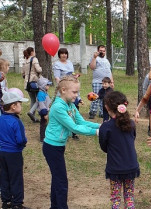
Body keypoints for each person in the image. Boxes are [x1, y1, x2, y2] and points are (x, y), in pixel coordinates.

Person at [42, 75, 100, 209]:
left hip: (58, 147)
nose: (77, 95)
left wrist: (102, 126)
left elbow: (81, 122)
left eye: (77, 92)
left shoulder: (70, 105)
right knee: (61, 181)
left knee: (57, 179)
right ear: (63, 90)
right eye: (74, 92)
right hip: (52, 148)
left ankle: (54, 206)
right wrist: (97, 133)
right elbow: (74, 128)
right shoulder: (58, 107)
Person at [99, 91, 140, 208]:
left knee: (116, 198)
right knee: (129, 197)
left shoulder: (106, 127)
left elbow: (104, 146)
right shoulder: (131, 124)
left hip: (115, 168)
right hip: (131, 166)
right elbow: (132, 139)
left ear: (107, 107)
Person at [0, 90, 29, 209]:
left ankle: (6, 202)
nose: (21, 106)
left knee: (4, 176)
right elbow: (21, 139)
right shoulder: (17, 122)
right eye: (19, 103)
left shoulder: (1, 119)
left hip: (1, 153)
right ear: (13, 106)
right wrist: (23, 143)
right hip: (14, 154)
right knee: (16, 177)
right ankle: (17, 203)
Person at [53, 49, 83, 140]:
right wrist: (64, 85)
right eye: (62, 53)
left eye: (65, 53)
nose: (64, 55)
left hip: (72, 88)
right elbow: (57, 78)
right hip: (64, 90)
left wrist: (75, 77)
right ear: (59, 55)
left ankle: (74, 132)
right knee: (65, 111)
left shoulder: (70, 63)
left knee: (74, 109)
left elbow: (72, 75)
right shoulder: (57, 64)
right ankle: (65, 129)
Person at [89, 45, 114, 119]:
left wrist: (111, 82)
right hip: (97, 82)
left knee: (105, 98)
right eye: (100, 51)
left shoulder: (106, 60)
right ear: (98, 51)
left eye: (103, 51)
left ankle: (102, 113)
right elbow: (92, 67)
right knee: (96, 97)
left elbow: (110, 71)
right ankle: (92, 113)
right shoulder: (95, 58)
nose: (102, 52)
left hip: (107, 83)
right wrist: (94, 57)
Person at [22, 47, 42, 123]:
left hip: (27, 83)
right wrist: (41, 69)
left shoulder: (25, 61)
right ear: (32, 52)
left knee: (33, 99)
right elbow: (38, 69)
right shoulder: (34, 59)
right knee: (38, 99)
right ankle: (31, 112)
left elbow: (23, 74)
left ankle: (33, 117)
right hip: (34, 82)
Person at [37, 77, 52, 142]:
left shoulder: (45, 92)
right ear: (43, 86)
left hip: (47, 111)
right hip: (44, 112)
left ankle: (46, 135)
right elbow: (42, 105)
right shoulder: (40, 94)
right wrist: (45, 114)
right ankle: (42, 137)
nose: (48, 86)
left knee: (46, 124)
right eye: (47, 85)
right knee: (43, 124)